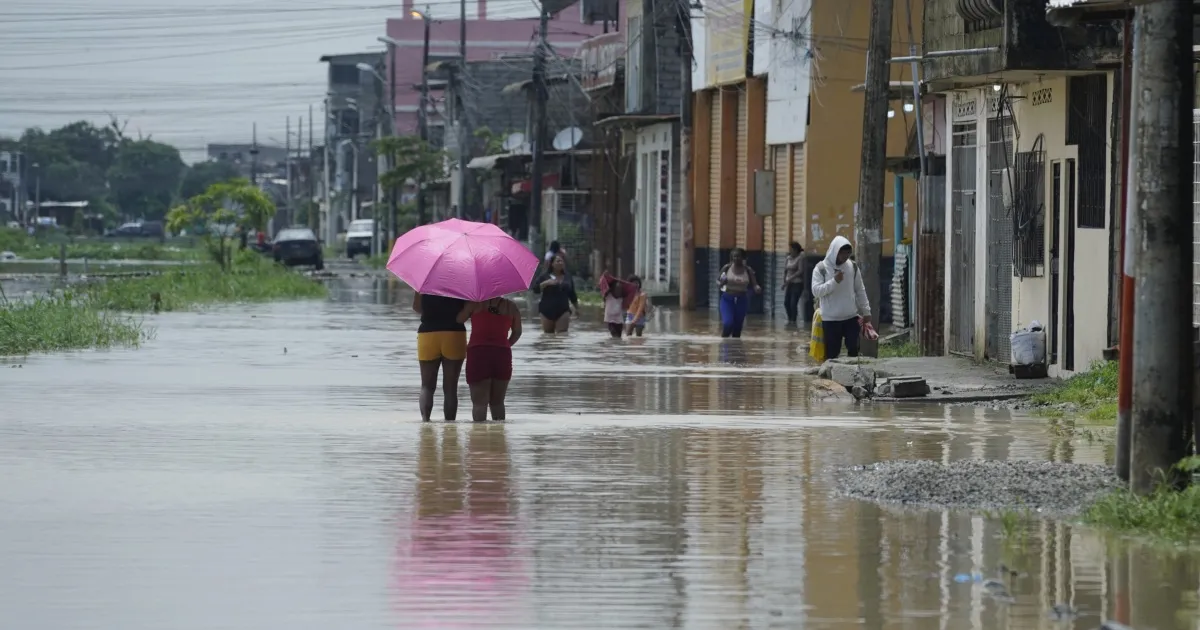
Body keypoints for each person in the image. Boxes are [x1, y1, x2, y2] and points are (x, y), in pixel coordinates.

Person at [458, 297, 522, 422]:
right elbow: (517, 332)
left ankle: (479, 438)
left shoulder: (475, 303)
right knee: (498, 403)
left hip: (478, 353)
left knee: (479, 403)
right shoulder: (511, 307)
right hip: (502, 354)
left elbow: (458, 320)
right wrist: (506, 344)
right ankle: (498, 439)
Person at [811, 235, 871, 359]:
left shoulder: (852, 267)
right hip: (830, 319)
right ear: (834, 252)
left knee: (854, 350)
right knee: (832, 354)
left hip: (851, 317)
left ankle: (854, 375)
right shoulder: (821, 268)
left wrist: (866, 311)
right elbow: (816, 291)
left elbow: (860, 289)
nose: (845, 257)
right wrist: (834, 282)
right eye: (842, 253)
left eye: (848, 254)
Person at [413, 293, 467, 421]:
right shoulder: (462, 280)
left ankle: (425, 422)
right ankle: (450, 425)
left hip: (428, 333)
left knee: (426, 385)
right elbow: (465, 312)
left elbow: (416, 307)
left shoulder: (424, 280)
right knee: (450, 388)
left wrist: (431, 313)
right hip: (454, 333)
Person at [717, 247, 761, 338]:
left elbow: (755, 284)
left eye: (738, 256)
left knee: (737, 328)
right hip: (727, 299)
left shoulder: (748, 270)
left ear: (743, 258)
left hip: (742, 300)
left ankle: (735, 349)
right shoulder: (727, 268)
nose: (736, 259)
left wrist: (757, 288)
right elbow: (717, 281)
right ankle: (723, 344)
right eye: (734, 256)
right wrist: (721, 283)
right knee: (728, 323)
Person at [533, 254, 578, 333]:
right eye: (558, 261)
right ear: (552, 264)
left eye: (562, 261)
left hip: (563, 310)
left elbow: (572, 294)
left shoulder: (567, 276)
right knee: (548, 335)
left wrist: (577, 308)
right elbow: (535, 290)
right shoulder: (544, 276)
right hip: (546, 310)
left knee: (562, 335)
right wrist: (545, 283)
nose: (560, 263)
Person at [783, 241, 806, 325]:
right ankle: (790, 320)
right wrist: (784, 282)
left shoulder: (800, 258)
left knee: (793, 303)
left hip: (797, 283)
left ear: (796, 250)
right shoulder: (788, 258)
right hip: (789, 284)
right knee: (786, 303)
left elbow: (800, 271)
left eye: (792, 249)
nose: (790, 251)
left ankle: (793, 321)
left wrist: (790, 278)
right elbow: (785, 271)